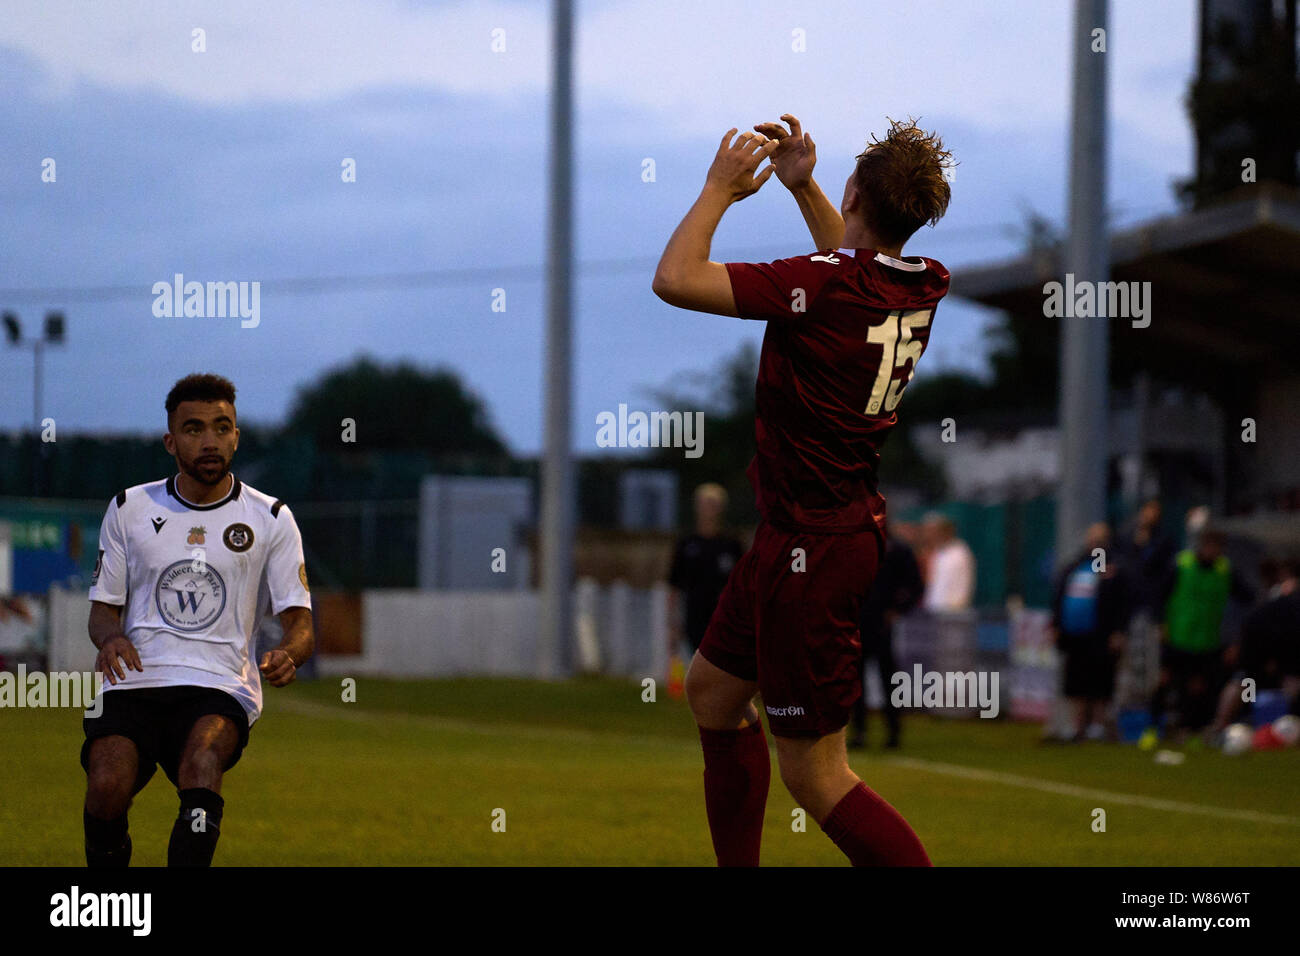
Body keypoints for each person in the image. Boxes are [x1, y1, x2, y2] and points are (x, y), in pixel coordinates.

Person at [653, 113, 952, 866]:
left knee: (817, 776)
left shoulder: (818, 286)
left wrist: (720, 190)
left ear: (854, 189)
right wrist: (803, 185)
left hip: (814, 547)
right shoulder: (920, 283)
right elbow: (856, 257)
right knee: (714, 694)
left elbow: (675, 278)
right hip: (802, 533)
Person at [82, 373, 314, 867]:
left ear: (236, 434)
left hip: (220, 685)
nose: (209, 440)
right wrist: (111, 638)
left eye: (221, 426)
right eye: (193, 429)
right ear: (171, 441)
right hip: (135, 681)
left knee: (202, 763)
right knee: (106, 784)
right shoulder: (129, 508)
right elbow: (102, 612)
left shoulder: (271, 517)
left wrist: (289, 653)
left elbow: (301, 622)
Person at [1149, 526, 1252, 742]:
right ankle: (1153, 727)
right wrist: (1160, 625)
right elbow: (1159, 595)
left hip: (1208, 639)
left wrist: (1235, 637)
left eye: (1218, 548)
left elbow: (1247, 598)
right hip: (1178, 636)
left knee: (1201, 687)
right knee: (1166, 681)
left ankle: (1195, 729)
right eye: (1210, 547)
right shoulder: (1181, 564)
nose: (1214, 552)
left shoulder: (1225, 570)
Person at [1048, 523, 1128, 741]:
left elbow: (1120, 599)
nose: (1095, 544)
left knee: (1100, 681)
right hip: (1075, 633)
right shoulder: (1075, 565)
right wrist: (1055, 624)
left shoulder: (1109, 566)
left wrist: (1119, 631)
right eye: (1092, 539)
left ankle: (1097, 725)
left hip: (1100, 634)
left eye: (1100, 540)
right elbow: (1059, 595)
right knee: (1076, 682)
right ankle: (1077, 725)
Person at [848, 519, 924, 750]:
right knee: (856, 682)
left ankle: (892, 732)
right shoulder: (852, 548)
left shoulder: (896, 549)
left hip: (881, 625)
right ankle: (860, 732)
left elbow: (915, 586)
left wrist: (897, 610)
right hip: (856, 624)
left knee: (887, 680)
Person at [1209, 558, 1300, 734]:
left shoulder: (1281, 594)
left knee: (1248, 681)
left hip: (1270, 648)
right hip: (1272, 648)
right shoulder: (1280, 594)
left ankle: (1239, 719)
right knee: (1249, 680)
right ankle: (1245, 718)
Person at [1116, 499, 1177, 748]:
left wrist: (1161, 618)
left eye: (1155, 511)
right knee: (1126, 673)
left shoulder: (1164, 543)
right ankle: (1119, 726)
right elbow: (1117, 570)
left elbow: (1165, 579)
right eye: (1147, 510)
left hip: (1153, 615)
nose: (1149, 516)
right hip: (1129, 615)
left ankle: (1152, 727)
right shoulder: (1126, 539)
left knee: (1154, 673)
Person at [667, 484, 744, 661]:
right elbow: (674, 585)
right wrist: (672, 624)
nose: (708, 509)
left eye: (713, 504)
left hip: (724, 618)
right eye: (704, 503)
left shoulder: (731, 544)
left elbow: (743, 585)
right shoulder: (686, 543)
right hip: (694, 616)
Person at [920, 513, 975, 612]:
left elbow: (961, 589)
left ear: (944, 531)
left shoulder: (960, 553)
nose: (928, 535)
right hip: (934, 612)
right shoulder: (939, 553)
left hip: (951, 614)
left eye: (932, 531)